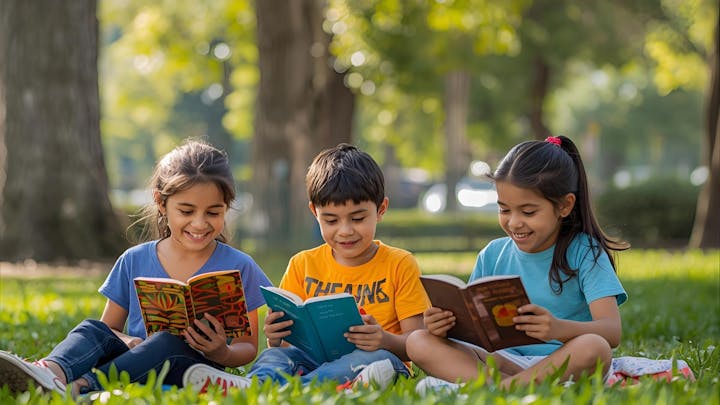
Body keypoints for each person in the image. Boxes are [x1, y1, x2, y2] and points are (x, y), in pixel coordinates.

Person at [0, 139, 272, 397]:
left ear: (226, 208)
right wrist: (129, 342)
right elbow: (110, 330)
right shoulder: (134, 259)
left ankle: (81, 387)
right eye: (186, 212)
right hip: (134, 364)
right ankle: (48, 372)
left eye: (213, 213)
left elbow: (247, 347)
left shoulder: (240, 266)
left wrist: (221, 353)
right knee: (92, 329)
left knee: (166, 343)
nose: (200, 224)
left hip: (194, 369)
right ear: (161, 203)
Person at [182, 143, 431, 393]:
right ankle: (254, 386)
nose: (345, 230)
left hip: (378, 359)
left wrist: (384, 339)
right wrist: (275, 336)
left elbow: (417, 343)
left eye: (357, 218)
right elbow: (283, 345)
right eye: (331, 220)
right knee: (274, 358)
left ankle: (276, 391)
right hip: (311, 361)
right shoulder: (302, 264)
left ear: (381, 210)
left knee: (374, 362)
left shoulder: (399, 263)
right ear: (315, 212)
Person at [408, 135, 628, 392]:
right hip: (503, 361)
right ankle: (511, 386)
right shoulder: (492, 254)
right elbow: (476, 328)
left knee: (595, 347)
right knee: (418, 341)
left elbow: (611, 332)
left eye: (528, 212)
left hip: (565, 361)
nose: (514, 223)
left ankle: (494, 389)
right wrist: (443, 328)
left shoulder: (585, 253)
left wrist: (557, 329)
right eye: (504, 210)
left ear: (565, 206)